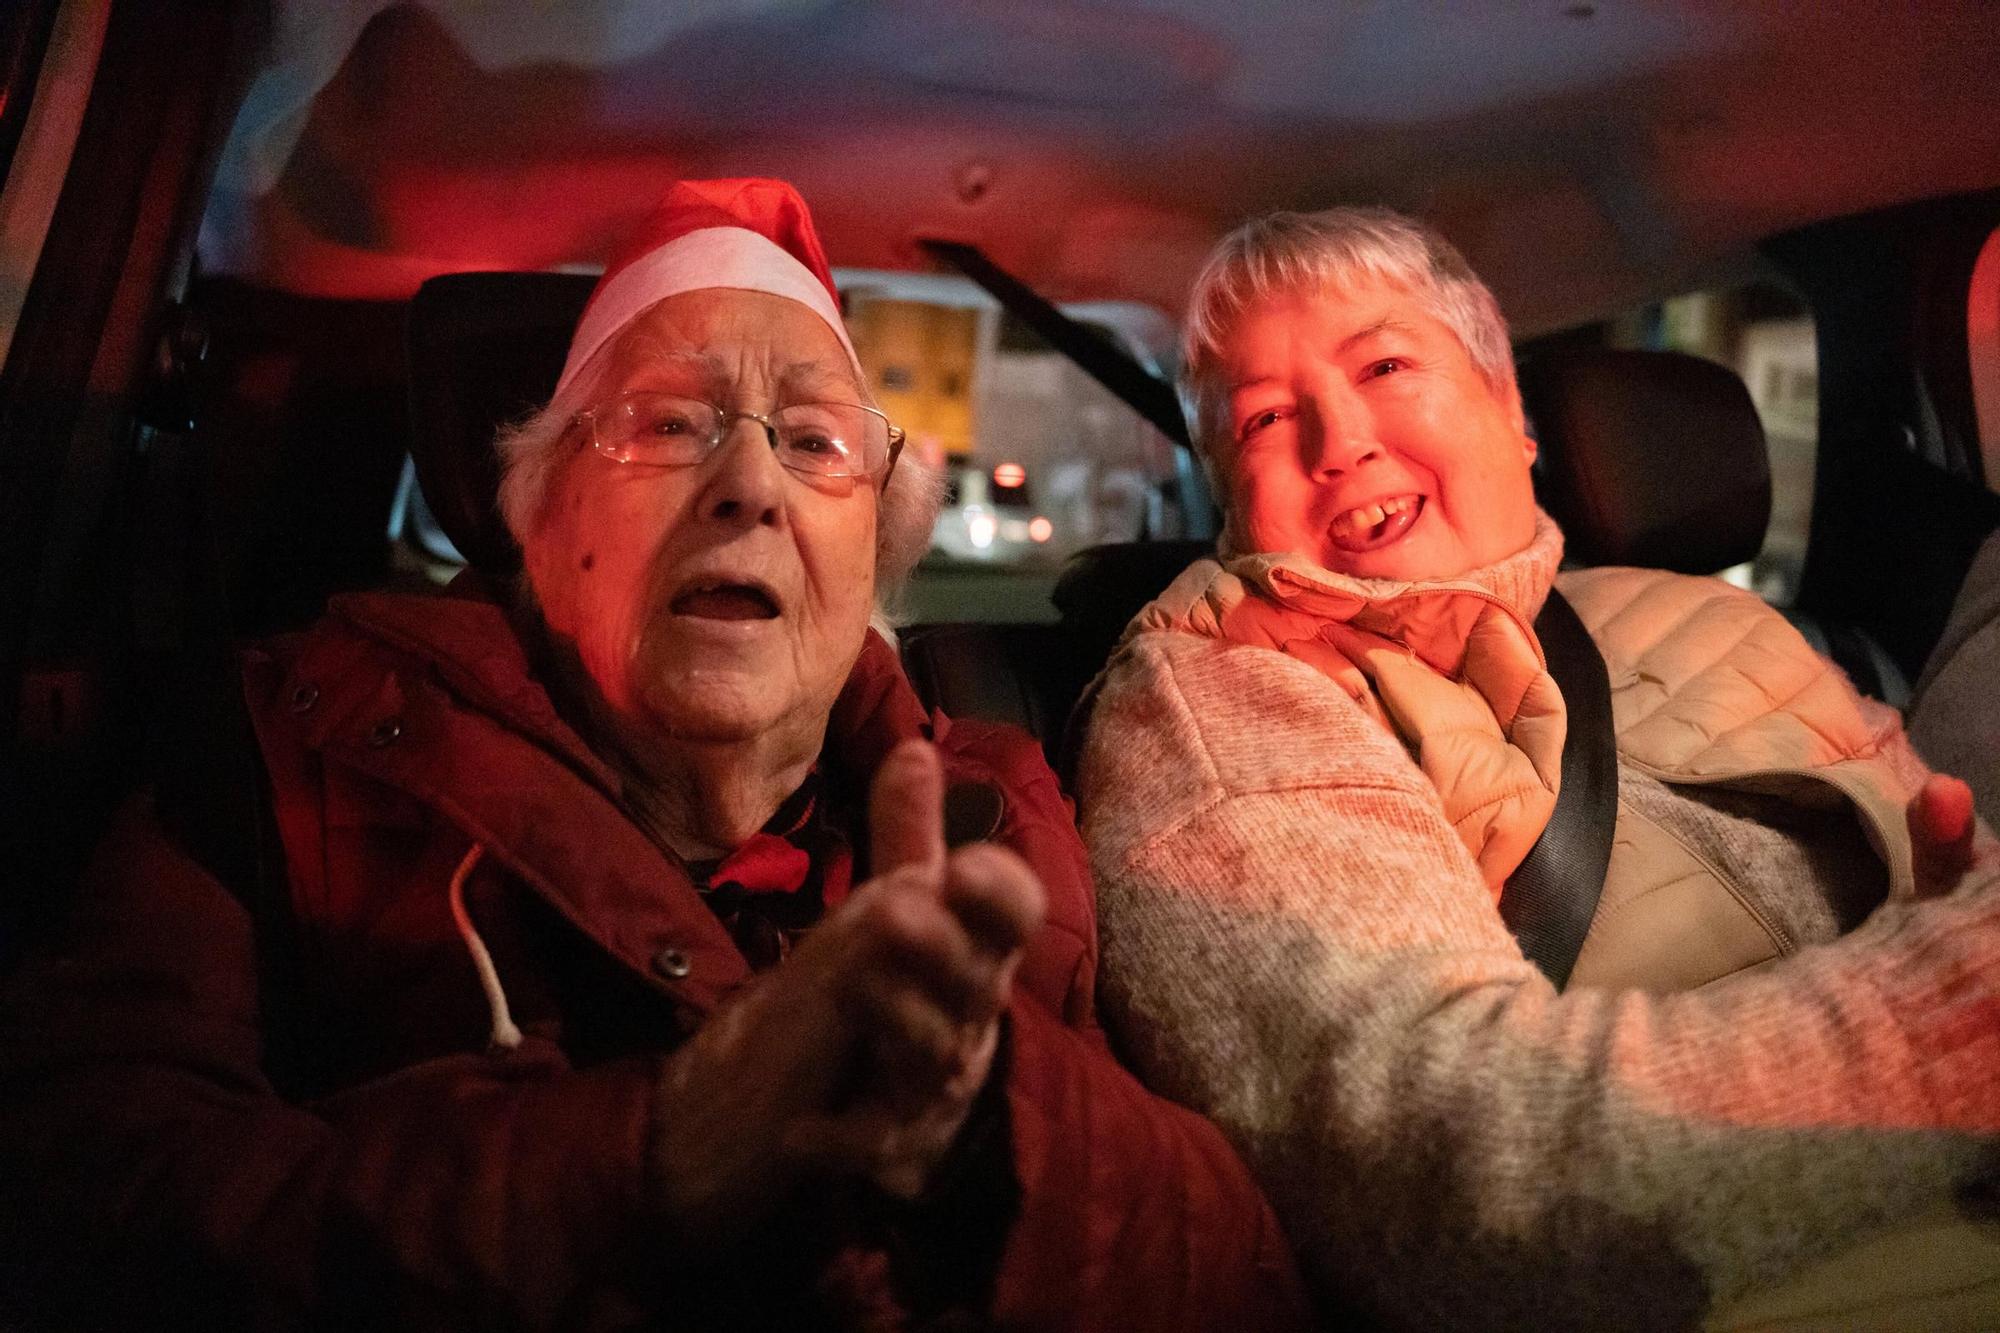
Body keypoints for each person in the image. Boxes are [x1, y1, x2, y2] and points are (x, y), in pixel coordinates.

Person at [0, 179, 1307, 1330]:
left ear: (875, 553)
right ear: (541, 508)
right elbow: (80, 1210)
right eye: (671, 423)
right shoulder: (283, 747)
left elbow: (1247, 1282)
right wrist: (653, 1157)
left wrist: (1001, 1139)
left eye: (814, 443)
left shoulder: (1000, 811)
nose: (751, 486)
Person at [1077, 205, 2000, 1329]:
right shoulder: (1220, 688)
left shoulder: (1719, 620)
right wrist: (1938, 1030)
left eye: (1382, 361)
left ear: (1511, 409)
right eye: (1265, 417)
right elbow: (1456, 1187)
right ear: (1229, 501)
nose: (1338, 440)